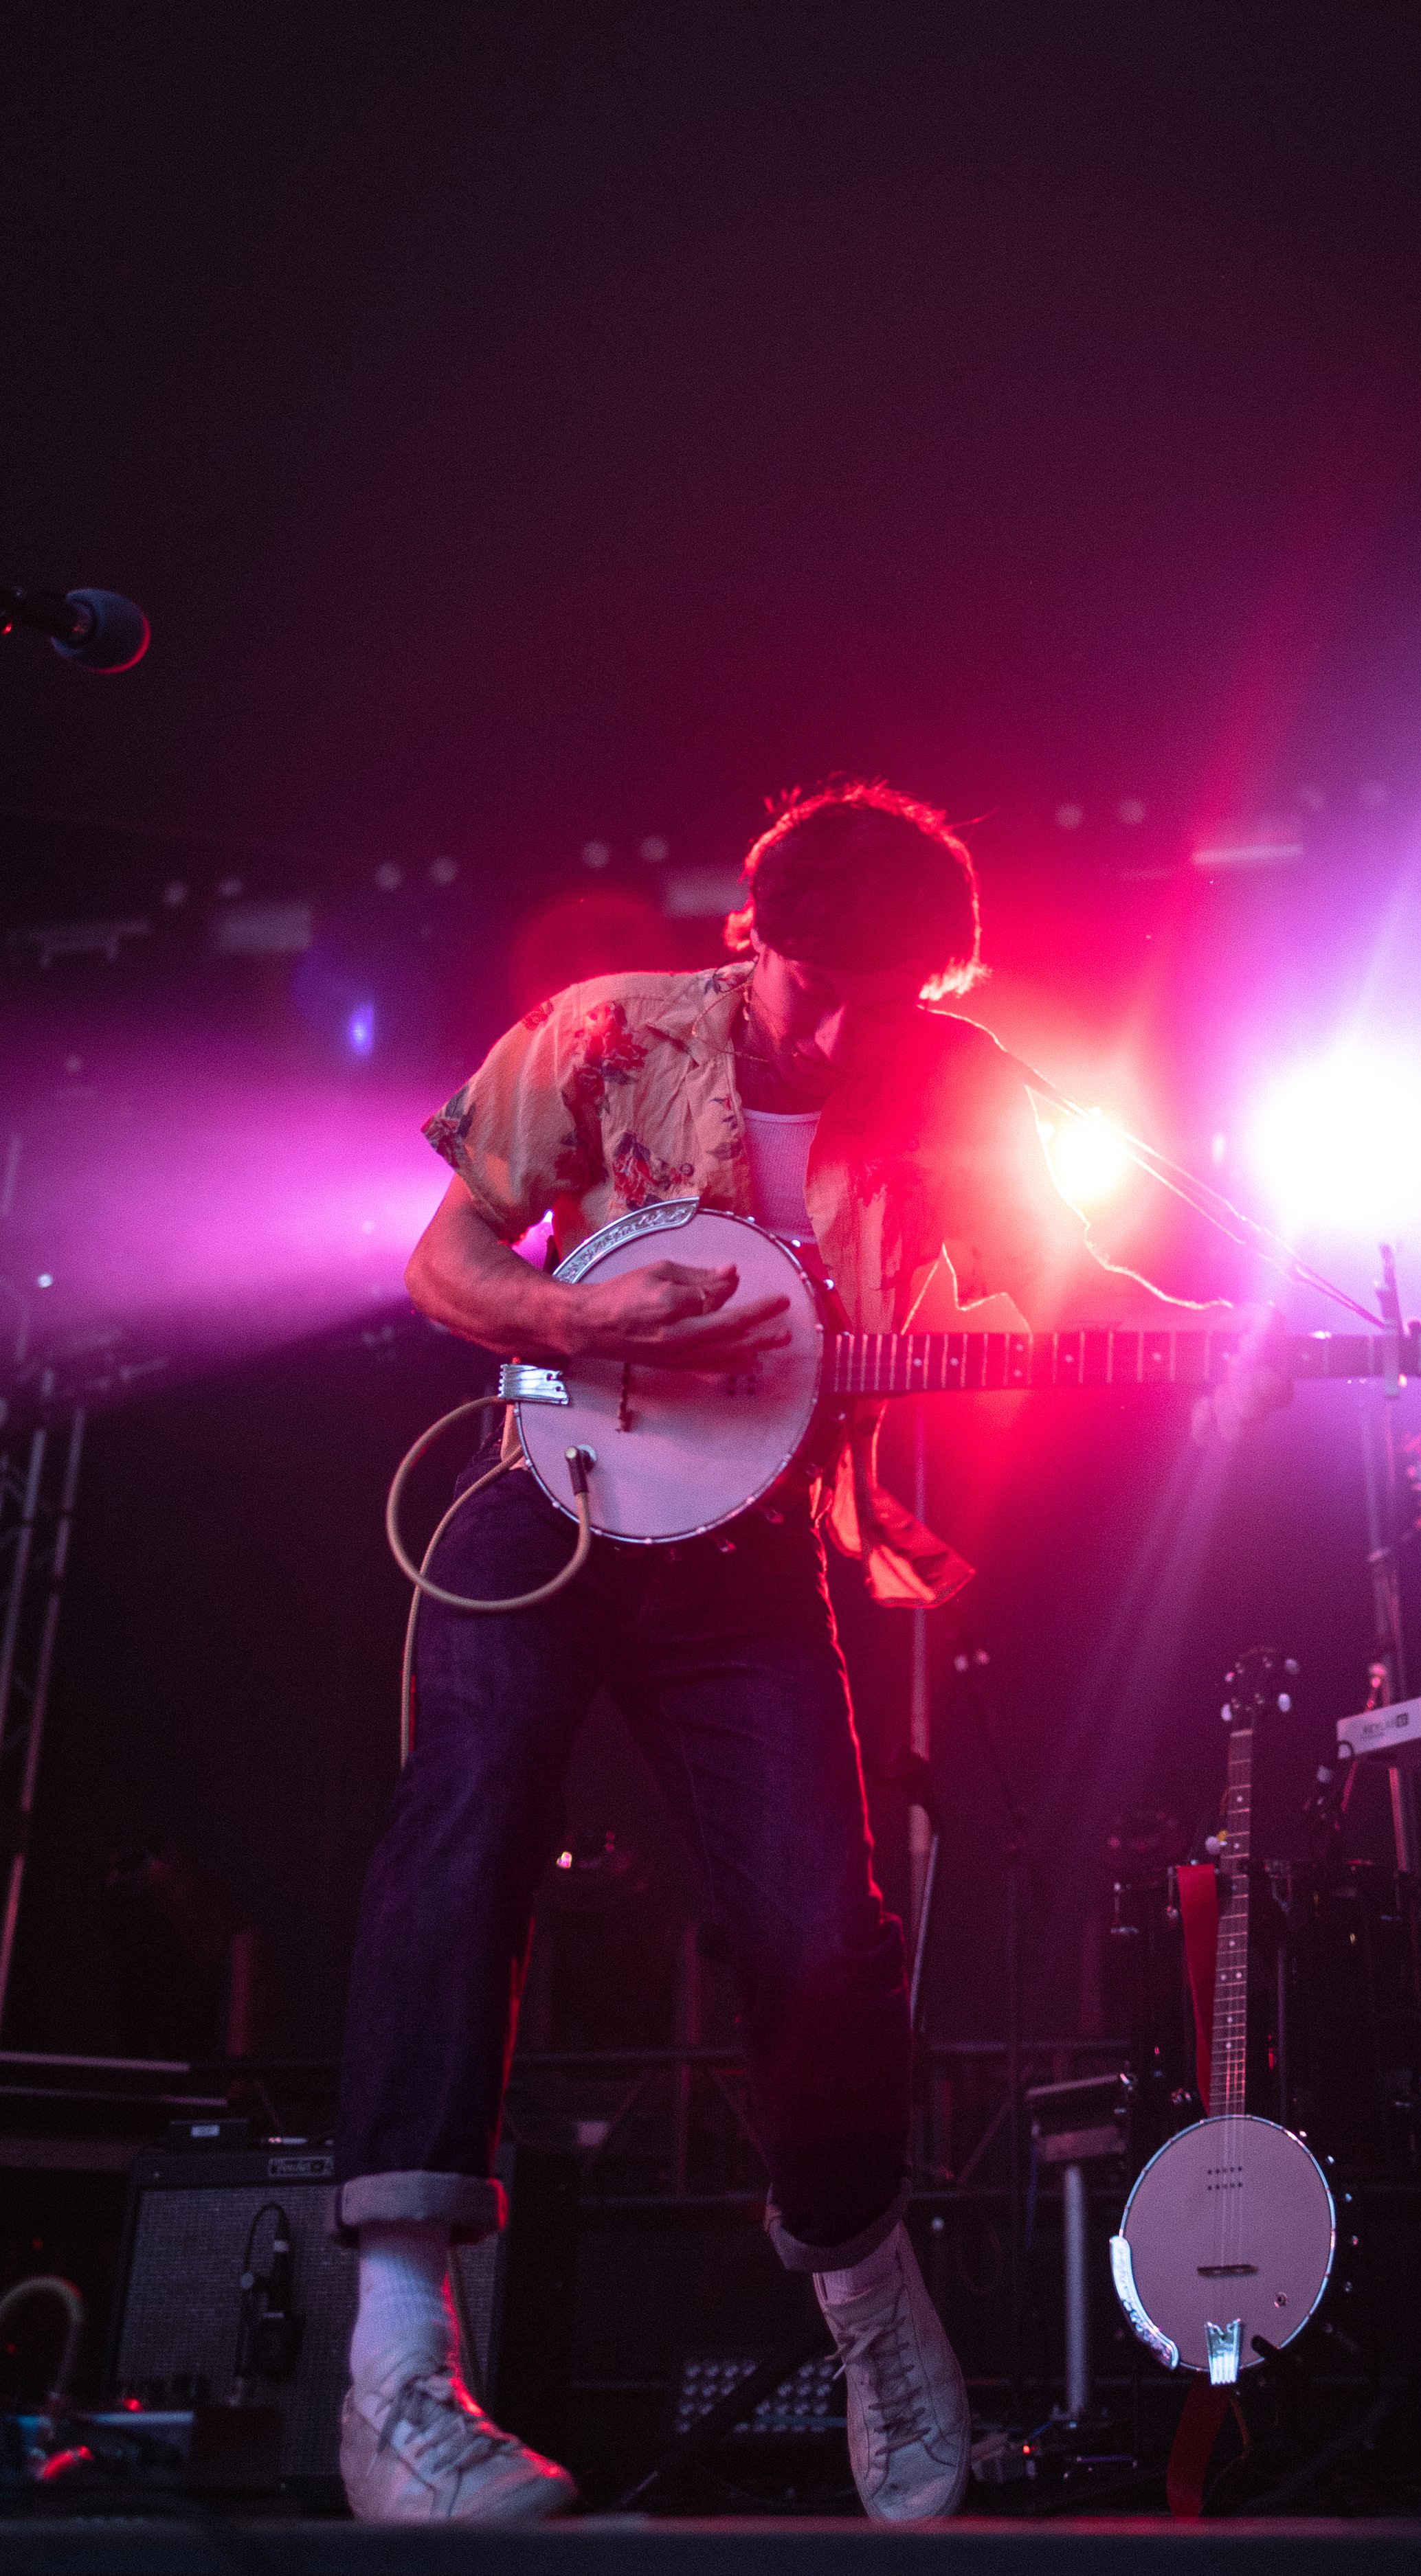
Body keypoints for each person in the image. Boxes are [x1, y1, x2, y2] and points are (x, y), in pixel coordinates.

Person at [331, 781, 1288, 2522]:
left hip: (755, 1552)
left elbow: (1066, 1295)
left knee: (825, 1942)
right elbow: (446, 1255)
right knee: (455, 1843)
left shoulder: (955, 1082)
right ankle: (397, 2374)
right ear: (752, 932)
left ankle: (868, 2306)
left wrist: (1251, 1338)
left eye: (893, 994)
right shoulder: (607, 1032)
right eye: (820, 983)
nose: (851, 1030)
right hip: (542, 1495)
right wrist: (573, 1315)